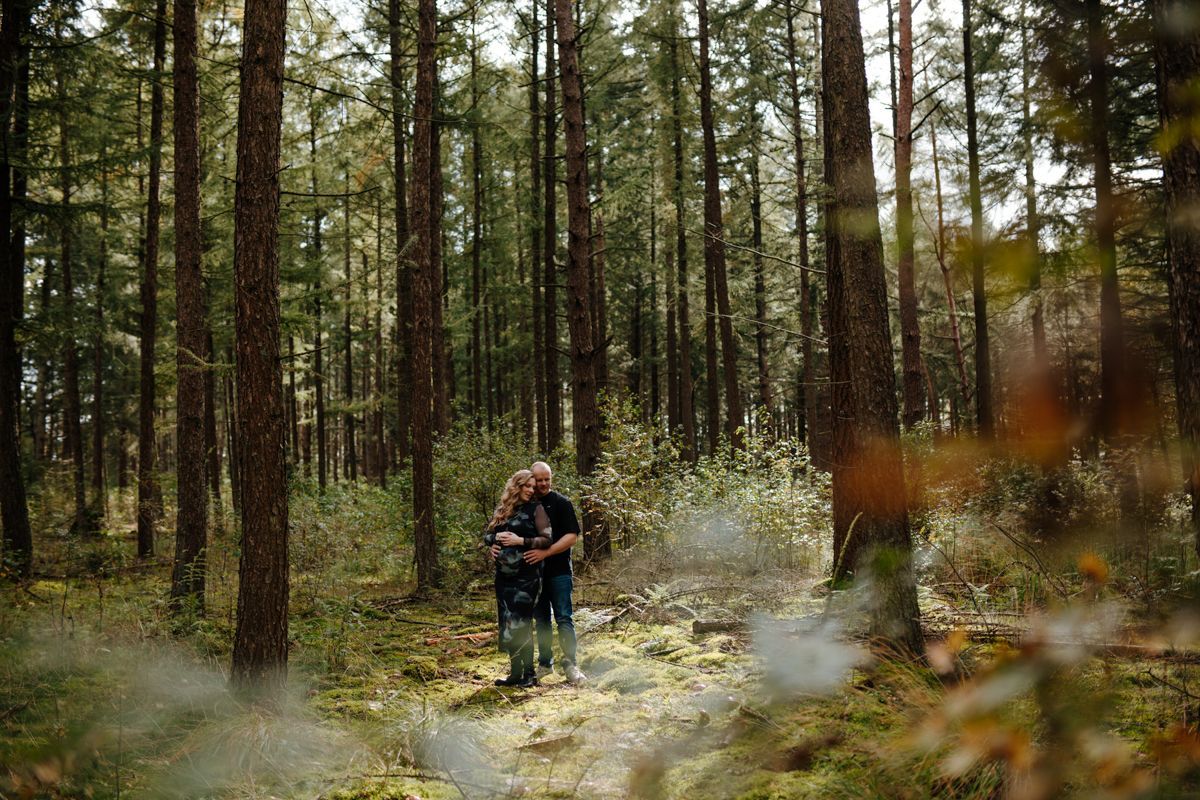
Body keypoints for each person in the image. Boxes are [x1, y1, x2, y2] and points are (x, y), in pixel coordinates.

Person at [482, 469, 552, 687]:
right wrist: (493, 541)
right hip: (503, 579)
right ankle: (515, 673)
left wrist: (521, 541)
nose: (532, 490)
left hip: (527, 578)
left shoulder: (536, 509)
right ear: (517, 486)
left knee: (521, 623)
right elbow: (487, 534)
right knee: (507, 623)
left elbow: (547, 539)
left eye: (533, 487)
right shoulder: (504, 510)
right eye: (527, 486)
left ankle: (529, 675)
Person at [524, 461, 586, 684]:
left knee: (563, 618)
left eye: (546, 479)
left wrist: (545, 553)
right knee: (541, 620)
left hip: (559, 571)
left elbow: (572, 537)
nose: (542, 484)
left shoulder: (561, 503)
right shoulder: (525, 503)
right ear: (531, 479)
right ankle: (545, 664)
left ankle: (571, 664)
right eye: (538, 480)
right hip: (533, 574)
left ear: (551, 478)